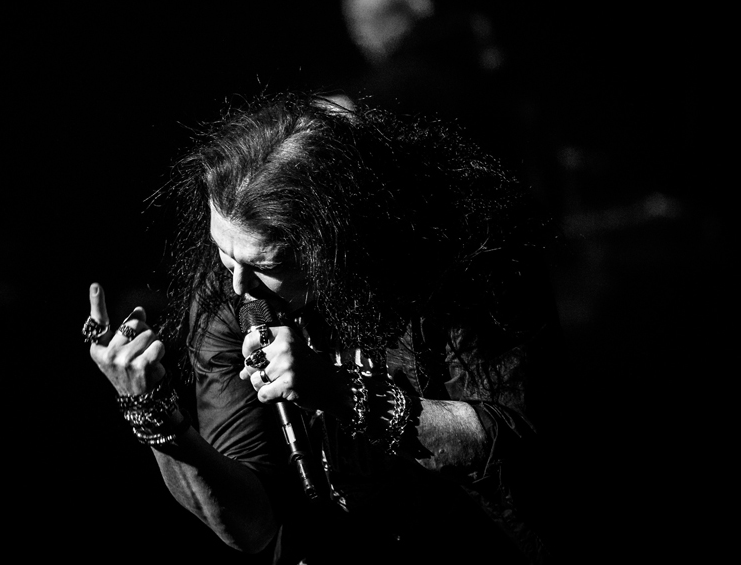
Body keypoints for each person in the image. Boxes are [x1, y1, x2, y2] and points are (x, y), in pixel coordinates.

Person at [86, 91, 561, 563]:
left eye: (268, 264)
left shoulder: (466, 258)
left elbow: (518, 449)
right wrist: (155, 414)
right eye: (224, 252)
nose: (238, 284)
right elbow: (251, 528)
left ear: (337, 240)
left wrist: (338, 391)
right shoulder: (230, 288)